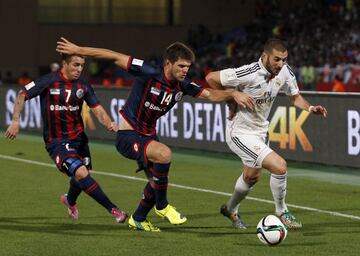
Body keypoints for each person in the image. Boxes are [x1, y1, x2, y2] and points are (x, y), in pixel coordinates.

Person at [56, 37, 254, 232]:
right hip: (128, 135)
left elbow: (210, 94)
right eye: (182, 66)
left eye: (188, 67)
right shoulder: (148, 72)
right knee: (164, 154)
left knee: (156, 182)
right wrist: (80, 49)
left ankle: (139, 218)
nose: (186, 70)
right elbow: (114, 56)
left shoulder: (183, 84)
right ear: (168, 63)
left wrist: (233, 94)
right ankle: (162, 206)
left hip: (148, 136)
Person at [206, 38, 327, 229]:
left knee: (251, 176)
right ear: (265, 56)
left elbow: (294, 97)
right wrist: (232, 97)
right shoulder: (248, 73)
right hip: (239, 133)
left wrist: (310, 108)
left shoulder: (285, 72)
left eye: (284, 59)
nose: (281, 64)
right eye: (277, 59)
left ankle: (230, 209)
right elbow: (211, 78)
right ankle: (282, 212)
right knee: (280, 166)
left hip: (260, 131)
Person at [5, 53, 128, 224]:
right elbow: (22, 94)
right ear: (64, 64)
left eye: (81, 66)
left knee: (82, 176)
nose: (79, 69)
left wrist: (109, 123)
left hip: (79, 140)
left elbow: (97, 109)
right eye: (75, 65)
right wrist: (15, 121)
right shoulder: (48, 81)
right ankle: (114, 210)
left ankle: (69, 200)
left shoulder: (83, 86)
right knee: (81, 172)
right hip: (57, 143)